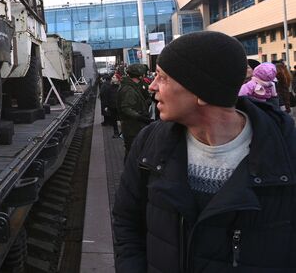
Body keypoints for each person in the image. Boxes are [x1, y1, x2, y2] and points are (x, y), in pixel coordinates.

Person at [113, 31, 296, 272]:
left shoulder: (287, 152)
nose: (153, 87)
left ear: (201, 90)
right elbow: (127, 224)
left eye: (163, 77)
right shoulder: (149, 144)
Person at [117, 63, 151, 157]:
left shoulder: (129, 86)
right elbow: (126, 108)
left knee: (132, 152)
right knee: (133, 154)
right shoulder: (129, 89)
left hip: (132, 127)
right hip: (132, 128)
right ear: (140, 76)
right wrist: (140, 117)